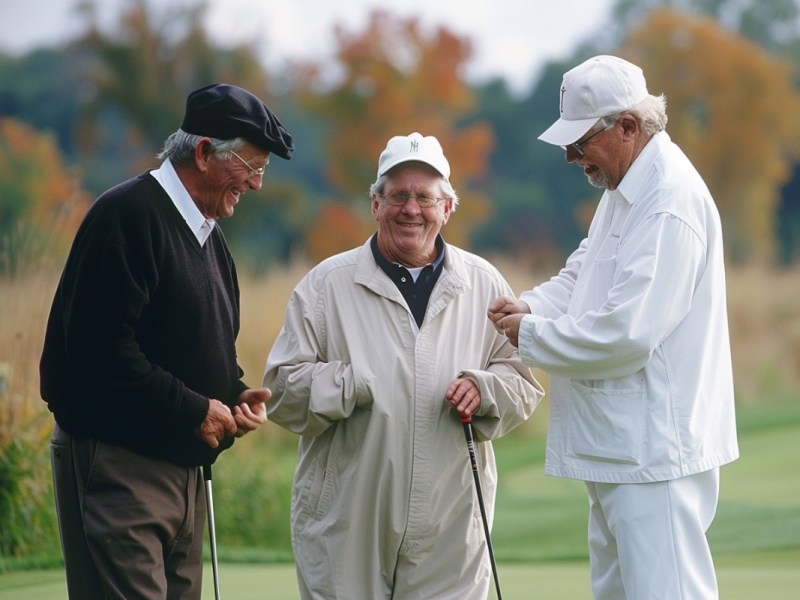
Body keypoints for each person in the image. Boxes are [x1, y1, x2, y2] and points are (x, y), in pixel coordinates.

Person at [488, 55, 739, 599]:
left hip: (654, 453)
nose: (570, 155)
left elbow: (629, 334)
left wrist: (526, 337)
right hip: (622, 448)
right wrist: (525, 308)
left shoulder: (668, 201)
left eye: (581, 139)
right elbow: (582, 276)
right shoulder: (624, 191)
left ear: (629, 126)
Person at [39, 83, 294, 599]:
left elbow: (186, 343)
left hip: (182, 474)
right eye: (252, 166)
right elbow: (98, 354)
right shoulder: (127, 216)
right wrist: (196, 410)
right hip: (119, 465)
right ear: (203, 153)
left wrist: (232, 394)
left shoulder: (209, 236)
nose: (258, 184)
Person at [263, 132, 544, 599]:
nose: (410, 209)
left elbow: (523, 382)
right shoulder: (326, 285)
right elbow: (282, 391)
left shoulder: (484, 283)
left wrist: (485, 389)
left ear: (447, 208)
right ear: (375, 205)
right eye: (397, 196)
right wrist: (352, 382)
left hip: (451, 520)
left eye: (424, 197)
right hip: (346, 520)